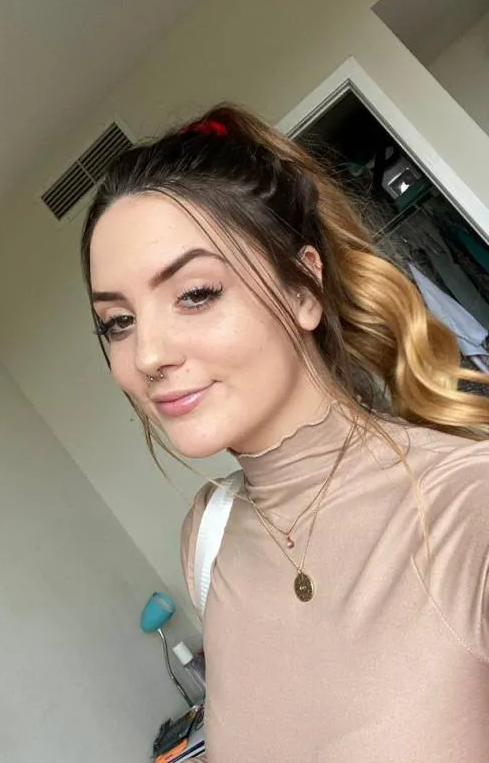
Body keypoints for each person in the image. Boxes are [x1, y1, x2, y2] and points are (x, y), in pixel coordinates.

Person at [80, 104, 489, 762]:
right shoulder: (207, 538)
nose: (147, 354)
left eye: (195, 293)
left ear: (302, 289)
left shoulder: (467, 507)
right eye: (118, 323)